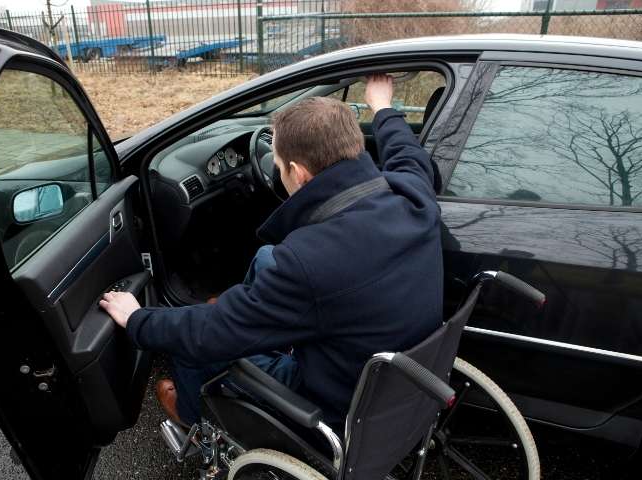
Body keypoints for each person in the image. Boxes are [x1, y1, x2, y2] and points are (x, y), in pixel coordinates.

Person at [99, 74, 443, 433]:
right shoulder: (413, 194)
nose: (278, 172)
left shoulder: (307, 261)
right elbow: (407, 154)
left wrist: (138, 319)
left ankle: (191, 415)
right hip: (396, 375)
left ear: (299, 174)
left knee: (193, 343)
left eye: (278, 165)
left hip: (330, 399)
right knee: (266, 255)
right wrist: (383, 107)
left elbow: (208, 333)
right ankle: (252, 311)